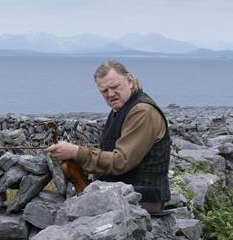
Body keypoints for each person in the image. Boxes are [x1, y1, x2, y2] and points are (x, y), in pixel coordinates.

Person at [46, 60, 172, 207]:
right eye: (104, 91)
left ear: (129, 82)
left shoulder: (143, 112)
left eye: (115, 87)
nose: (110, 94)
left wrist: (76, 152)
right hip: (125, 197)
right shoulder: (121, 109)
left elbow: (121, 161)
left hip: (143, 202)